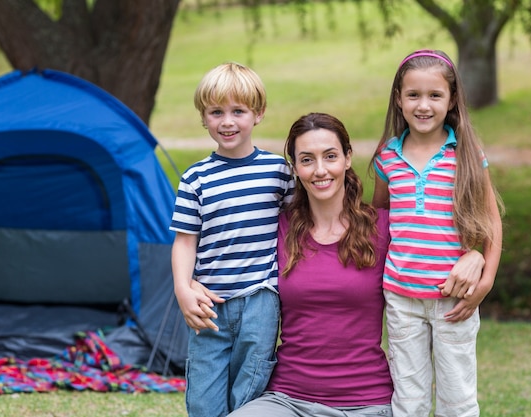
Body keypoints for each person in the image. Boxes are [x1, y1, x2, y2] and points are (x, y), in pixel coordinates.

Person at [228, 112, 394, 417]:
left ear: (347, 158)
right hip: (288, 399)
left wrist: (476, 256)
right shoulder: (277, 229)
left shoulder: (382, 228)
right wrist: (190, 285)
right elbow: (223, 257)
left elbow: (435, 249)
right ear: (294, 168)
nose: (320, 170)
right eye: (307, 160)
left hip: (368, 402)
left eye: (330, 156)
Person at [370, 49, 504, 417]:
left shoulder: (465, 153)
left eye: (435, 95)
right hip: (401, 299)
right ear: (399, 99)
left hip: (454, 298)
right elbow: (381, 217)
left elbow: (492, 221)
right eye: (413, 95)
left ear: (452, 99)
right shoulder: (387, 157)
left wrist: (486, 280)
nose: (423, 105)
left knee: (457, 399)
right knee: (408, 400)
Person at [169, 61, 293, 417]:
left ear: (259, 114)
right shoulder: (195, 179)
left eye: (238, 111)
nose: (227, 121)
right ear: (203, 117)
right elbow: (184, 242)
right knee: (203, 399)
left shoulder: (278, 172)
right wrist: (183, 288)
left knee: (251, 388)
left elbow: (296, 227)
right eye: (215, 112)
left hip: (261, 299)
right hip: (209, 303)